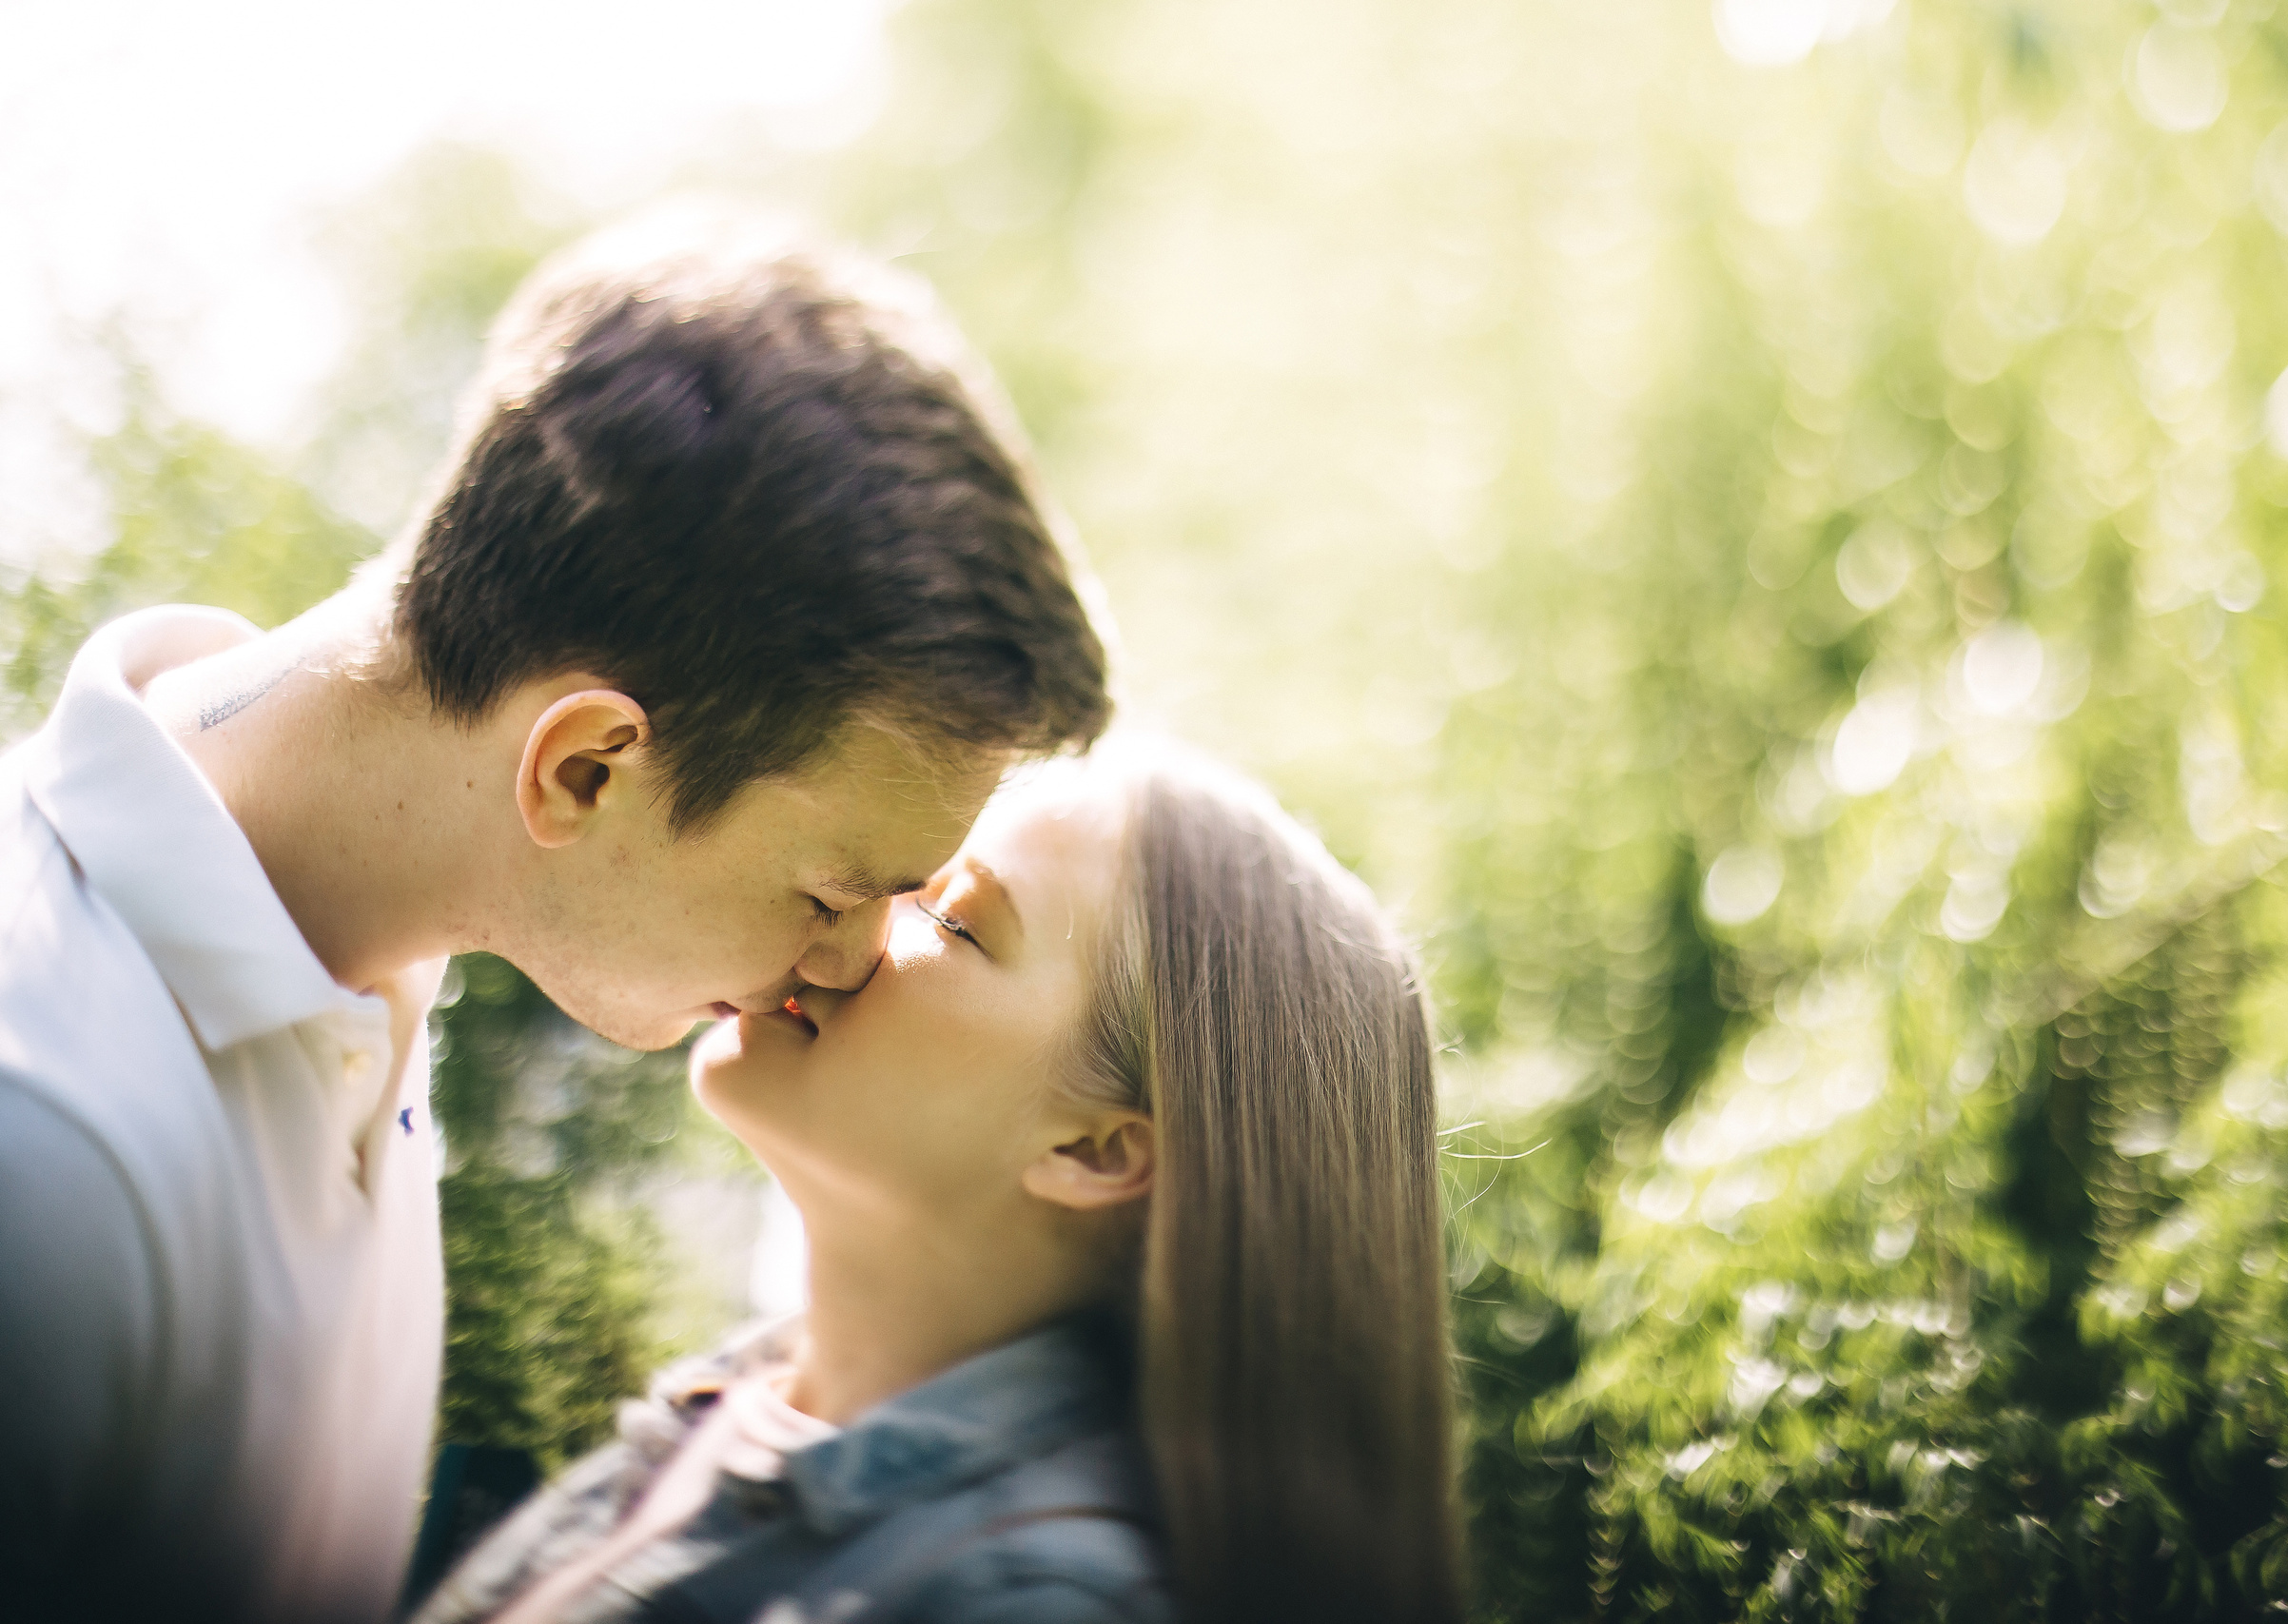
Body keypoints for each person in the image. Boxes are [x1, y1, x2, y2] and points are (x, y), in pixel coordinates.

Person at [0, 217, 1111, 1623]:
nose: (848, 963)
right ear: (584, 766)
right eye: (832, 893)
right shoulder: (39, 1146)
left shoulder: (361, 960)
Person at [408, 747, 1464, 1624]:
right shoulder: (734, 1412)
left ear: (1095, 1150)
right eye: (901, 873)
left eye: (954, 925)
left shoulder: (1033, 1602)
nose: (853, 925)